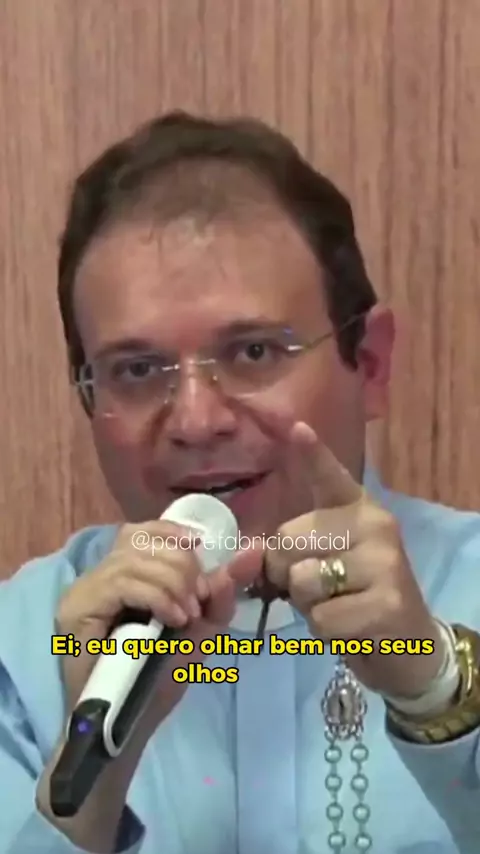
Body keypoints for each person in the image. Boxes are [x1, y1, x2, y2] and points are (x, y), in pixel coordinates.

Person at [0, 111, 480, 854]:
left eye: (254, 352)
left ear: (370, 364)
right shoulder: (20, 649)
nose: (196, 421)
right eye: (137, 369)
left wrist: (437, 690)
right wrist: (91, 772)